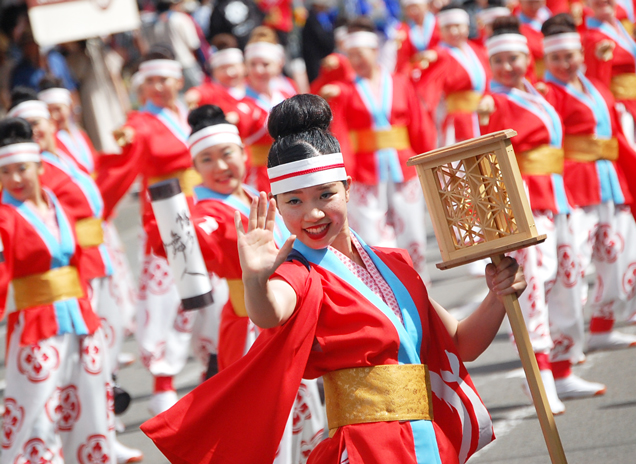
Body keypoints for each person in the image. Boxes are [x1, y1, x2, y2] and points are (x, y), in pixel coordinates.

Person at [141, 93, 525, 464]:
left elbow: (463, 343)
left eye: (325, 195)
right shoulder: (301, 272)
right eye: (294, 201)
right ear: (276, 206)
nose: (311, 214)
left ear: (348, 188)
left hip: (427, 442)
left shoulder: (396, 264)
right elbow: (271, 312)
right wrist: (257, 279)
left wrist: (497, 296)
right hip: (365, 450)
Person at [6, 90, 144, 463]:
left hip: (83, 293)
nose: (16, 177)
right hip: (40, 317)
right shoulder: (10, 211)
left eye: (22, 168)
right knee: (39, 406)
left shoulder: (57, 176)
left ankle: (102, 445)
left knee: (88, 391)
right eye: (6, 170)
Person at [184, 104, 326, 462]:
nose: (220, 167)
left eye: (227, 154)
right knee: (268, 419)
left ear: (243, 153)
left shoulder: (253, 195)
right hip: (251, 324)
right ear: (195, 168)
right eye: (207, 160)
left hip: (288, 309)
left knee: (304, 406)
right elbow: (201, 246)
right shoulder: (202, 213)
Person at [478, 16, 605, 413]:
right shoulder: (493, 102)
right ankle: (542, 378)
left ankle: (564, 370)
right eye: (499, 62)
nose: (508, 68)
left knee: (568, 280)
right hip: (525, 206)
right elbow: (481, 159)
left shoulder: (538, 93)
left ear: (527, 58)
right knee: (532, 290)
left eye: (514, 59)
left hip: (559, 197)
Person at [540, 14, 636, 352]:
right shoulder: (548, 94)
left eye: (570, 55)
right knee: (574, 263)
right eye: (555, 58)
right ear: (545, 59)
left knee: (616, 251)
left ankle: (603, 326)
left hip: (608, 180)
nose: (564, 63)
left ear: (580, 54)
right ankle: (561, 354)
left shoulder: (594, 85)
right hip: (577, 185)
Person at [96, 48, 199, 416]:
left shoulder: (188, 114)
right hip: (165, 217)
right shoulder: (140, 123)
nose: (158, 87)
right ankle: (162, 382)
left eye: (164, 79)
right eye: (150, 81)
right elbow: (120, 166)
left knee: (213, 292)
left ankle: (216, 362)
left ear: (178, 80)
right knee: (164, 298)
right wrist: (95, 210)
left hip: (203, 208)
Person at [321, 25, 436, 283]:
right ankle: (387, 286)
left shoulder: (399, 82)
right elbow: (340, 132)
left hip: (402, 164)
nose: (357, 60)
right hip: (364, 169)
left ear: (375, 51)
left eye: (361, 53)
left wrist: (427, 157)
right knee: (372, 234)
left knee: (413, 230)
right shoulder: (344, 90)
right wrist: (344, 171)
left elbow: (418, 122)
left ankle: (420, 285)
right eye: (351, 55)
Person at [582, 0, 636, 159]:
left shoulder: (621, 29)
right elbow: (596, 80)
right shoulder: (593, 37)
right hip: (622, 111)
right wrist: (598, 58)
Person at [416, 6, 490, 145]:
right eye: (448, 27)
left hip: (484, 117)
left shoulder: (477, 50)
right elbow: (427, 94)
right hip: (457, 124)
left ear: (467, 27)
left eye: (457, 26)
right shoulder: (439, 56)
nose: (454, 31)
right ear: (440, 31)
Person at [241, 26, 297, 192]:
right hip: (257, 176)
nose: (258, 70)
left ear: (279, 64)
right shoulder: (239, 99)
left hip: (292, 167)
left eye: (265, 64)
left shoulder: (288, 91)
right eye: (253, 64)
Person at [38, 77, 98, 174]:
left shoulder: (81, 134)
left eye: (58, 109)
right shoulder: (51, 142)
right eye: (49, 112)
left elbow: (97, 162)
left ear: (69, 107)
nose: (54, 116)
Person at [394, 0, 442, 74]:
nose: (413, 11)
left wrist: (436, 53)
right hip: (417, 72)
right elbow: (403, 59)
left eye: (416, 6)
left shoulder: (440, 24)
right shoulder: (404, 29)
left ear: (426, 6)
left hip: (440, 65)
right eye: (409, 8)